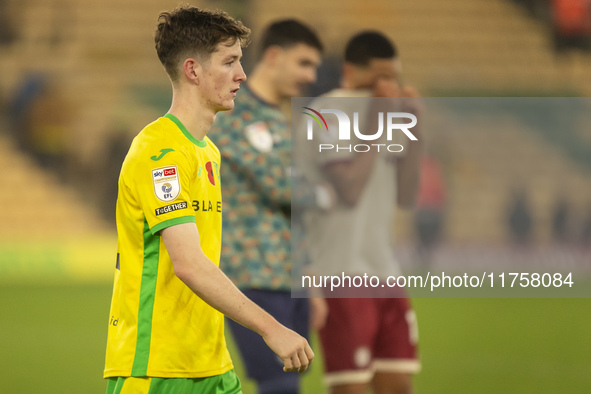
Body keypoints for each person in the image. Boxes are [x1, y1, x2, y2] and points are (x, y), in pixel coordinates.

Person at [103, 7, 313, 394]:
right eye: (230, 62)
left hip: (211, 365)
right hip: (157, 369)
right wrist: (272, 328)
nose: (242, 75)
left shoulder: (207, 152)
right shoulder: (159, 151)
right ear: (193, 70)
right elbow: (188, 264)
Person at [208, 20, 330, 394]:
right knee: (278, 384)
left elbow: (295, 206)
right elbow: (283, 187)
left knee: (289, 381)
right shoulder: (235, 113)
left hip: (288, 275)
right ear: (274, 56)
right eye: (304, 63)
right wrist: (323, 191)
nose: (310, 76)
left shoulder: (277, 117)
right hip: (252, 276)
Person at [297, 31, 422, 394]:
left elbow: (407, 194)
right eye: (380, 77)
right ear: (352, 71)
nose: (388, 86)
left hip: (384, 270)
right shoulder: (326, 113)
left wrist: (416, 127)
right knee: (351, 388)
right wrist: (378, 118)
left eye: (393, 77)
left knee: (398, 383)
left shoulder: (390, 115)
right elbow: (350, 189)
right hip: (340, 272)